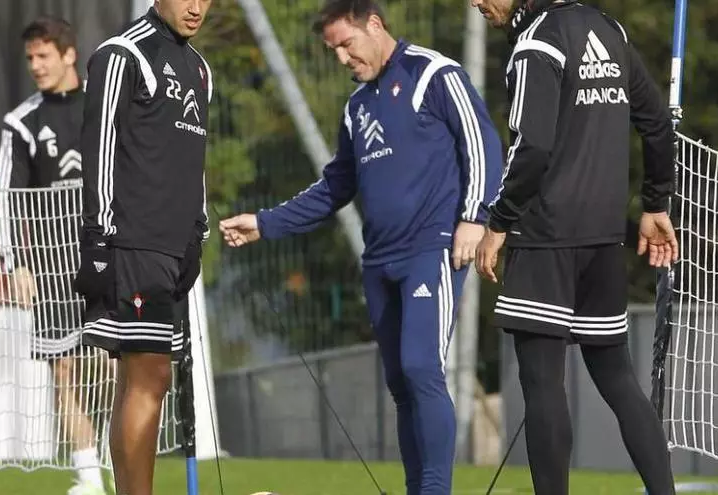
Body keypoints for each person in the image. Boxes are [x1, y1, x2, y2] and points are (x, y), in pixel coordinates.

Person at [219, 1, 502, 493]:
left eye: (346, 45)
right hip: (379, 262)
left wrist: (474, 218)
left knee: (421, 368)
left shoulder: (434, 73)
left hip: (431, 251)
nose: (342, 58)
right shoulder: (357, 107)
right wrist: (265, 223)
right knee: (401, 385)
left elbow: (482, 145)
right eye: (332, 51)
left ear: (374, 24)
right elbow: (335, 186)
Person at [471, 0, 679, 493]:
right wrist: (655, 204)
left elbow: (532, 147)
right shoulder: (608, 29)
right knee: (618, 379)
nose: (475, 2)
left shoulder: (537, 41)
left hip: (545, 236)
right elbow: (656, 123)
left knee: (543, 383)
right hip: (603, 238)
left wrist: (498, 223)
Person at [73, 0, 212, 493]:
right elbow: (98, 150)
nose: (196, 7)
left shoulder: (200, 69)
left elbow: (194, 159)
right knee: (148, 376)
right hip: (132, 242)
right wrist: (97, 238)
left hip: (173, 247)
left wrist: (198, 230)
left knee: (147, 379)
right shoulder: (122, 54)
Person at [0, 17, 110, 495]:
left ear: (69, 55)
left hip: (109, 256)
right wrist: (15, 262)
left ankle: (123, 459)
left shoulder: (105, 107)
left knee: (114, 364)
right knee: (64, 370)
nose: (36, 66)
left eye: (44, 56)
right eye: (30, 59)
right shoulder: (21, 122)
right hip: (51, 267)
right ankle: (90, 480)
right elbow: (6, 198)